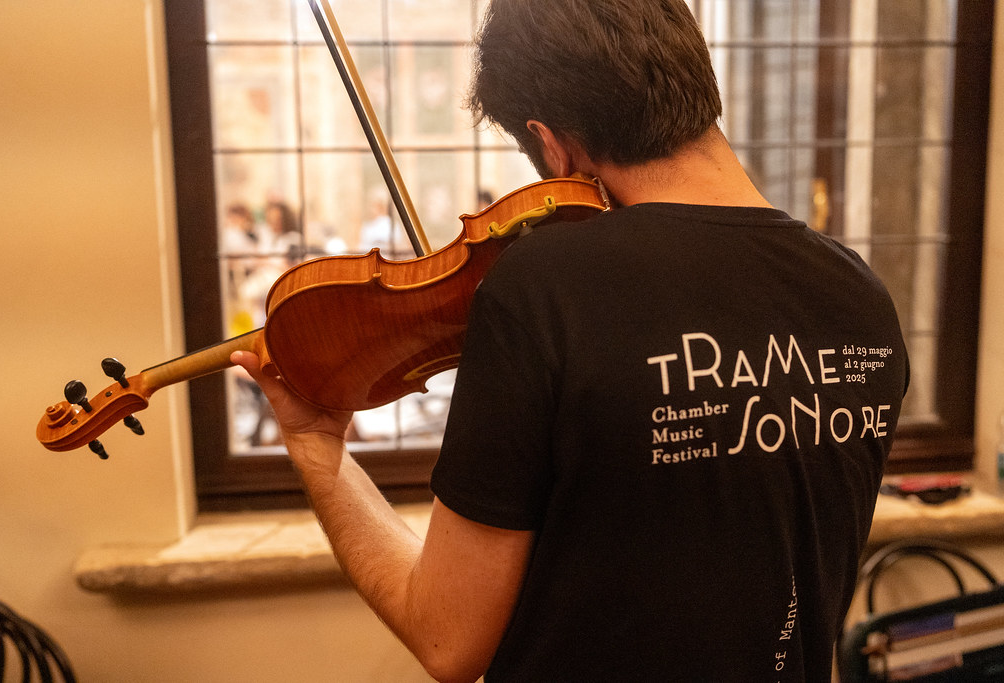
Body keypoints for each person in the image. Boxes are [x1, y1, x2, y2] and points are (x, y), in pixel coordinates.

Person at [232, 1, 909, 680]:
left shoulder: (544, 288)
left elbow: (447, 640)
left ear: (552, 143)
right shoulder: (862, 298)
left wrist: (316, 447)